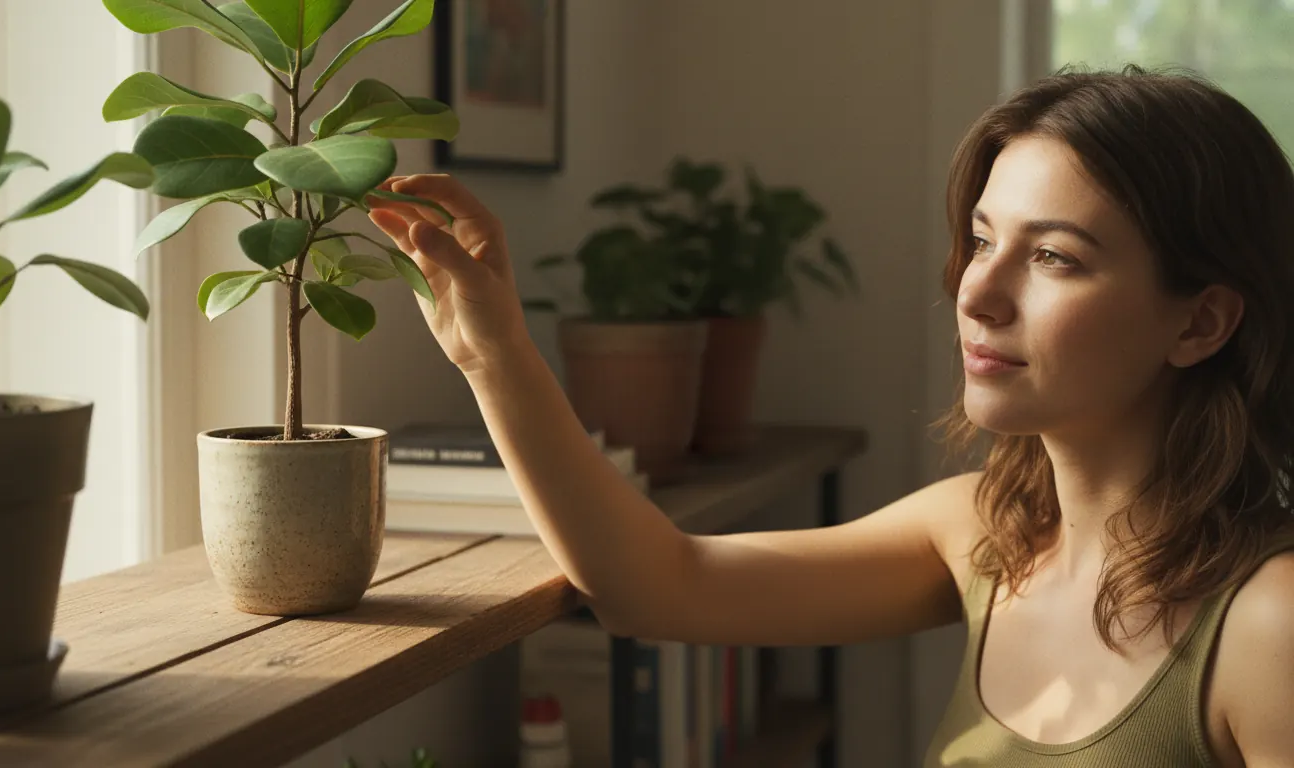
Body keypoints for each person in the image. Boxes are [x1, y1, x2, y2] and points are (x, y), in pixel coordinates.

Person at [366, 64, 1294, 767]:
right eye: (981, 241)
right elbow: (656, 586)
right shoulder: (987, 533)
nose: (977, 294)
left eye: (1053, 257)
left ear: (1200, 322)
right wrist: (493, 353)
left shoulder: (1270, 625)